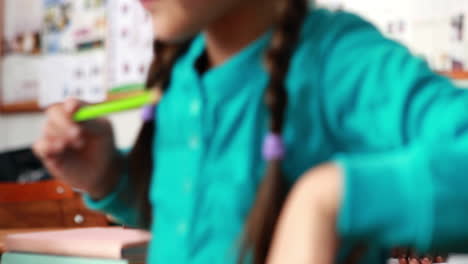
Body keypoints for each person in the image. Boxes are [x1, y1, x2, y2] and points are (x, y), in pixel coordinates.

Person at [33, 0, 468, 263]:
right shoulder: (181, 73)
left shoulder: (339, 61)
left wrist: (328, 199)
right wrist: (111, 179)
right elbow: (208, 221)